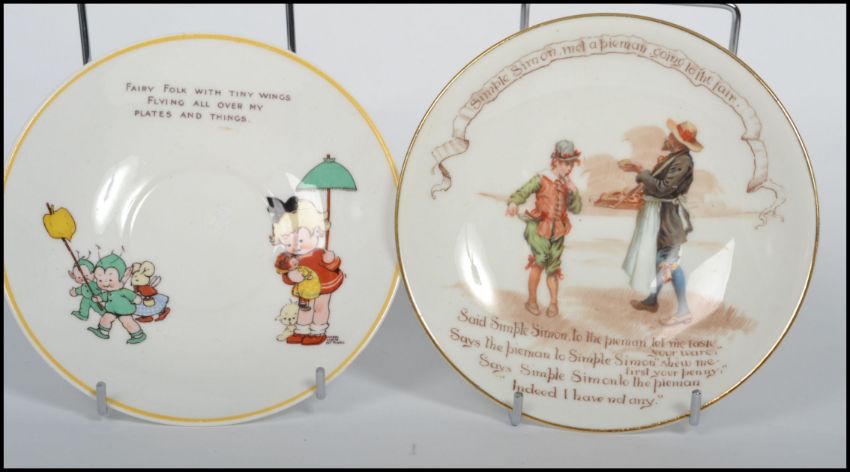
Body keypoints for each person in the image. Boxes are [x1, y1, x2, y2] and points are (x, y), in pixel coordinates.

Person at [622, 119, 701, 325]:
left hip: (670, 219)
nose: (668, 137)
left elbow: (663, 188)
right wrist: (640, 173)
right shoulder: (674, 157)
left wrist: (641, 171)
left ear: (678, 141)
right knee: (660, 260)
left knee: (670, 263)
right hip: (661, 216)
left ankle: (683, 311)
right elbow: (657, 184)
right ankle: (651, 301)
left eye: (671, 135)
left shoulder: (683, 161)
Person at [506, 139, 582, 317]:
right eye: (566, 164)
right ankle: (532, 301)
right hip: (540, 228)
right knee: (539, 262)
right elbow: (523, 192)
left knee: (553, 268)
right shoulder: (542, 178)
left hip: (559, 231)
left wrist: (573, 191)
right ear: (556, 161)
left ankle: (553, 304)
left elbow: (576, 209)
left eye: (571, 164)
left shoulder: (567, 184)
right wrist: (513, 203)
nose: (569, 168)